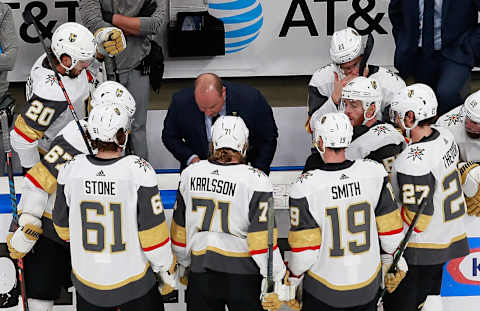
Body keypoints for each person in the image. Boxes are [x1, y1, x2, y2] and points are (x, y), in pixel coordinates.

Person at [6, 82, 135, 311]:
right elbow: (41, 177)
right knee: (41, 292)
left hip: (94, 236)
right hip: (56, 223)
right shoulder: (77, 136)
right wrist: (29, 220)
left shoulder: (122, 144)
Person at [52, 103, 177, 310]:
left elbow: (63, 229)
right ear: (122, 135)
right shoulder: (138, 170)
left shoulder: (71, 168)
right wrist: (165, 269)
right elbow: (153, 238)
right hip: (134, 285)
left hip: (88, 285)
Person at [288, 112, 406, 311]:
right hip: (367, 286)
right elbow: (392, 237)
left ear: (320, 141)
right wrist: (392, 261)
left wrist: (292, 281)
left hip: (323, 289)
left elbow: (304, 255)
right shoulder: (374, 172)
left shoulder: (305, 186)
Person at [171, 115, 290, 311]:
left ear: (213, 143)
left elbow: (179, 233)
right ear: (244, 145)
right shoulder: (257, 180)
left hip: (201, 273)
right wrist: (276, 278)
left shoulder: (190, 174)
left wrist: (184, 265)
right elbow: (263, 241)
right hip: (243, 279)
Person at [385, 84, 470, 311]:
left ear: (411, 116)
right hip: (447, 235)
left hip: (420, 249)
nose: (395, 119)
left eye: (400, 114)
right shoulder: (445, 135)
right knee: (430, 300)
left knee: (402, 305)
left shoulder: (412, 161)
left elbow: (418, 221)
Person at [10, 22, 125, 173]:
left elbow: (84, 73)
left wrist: (99, 53)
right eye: (83, 61)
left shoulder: (58, 60)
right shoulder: (51, 92)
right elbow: (21, 137)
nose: (87, 64)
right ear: (66, 60)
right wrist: (32, 172)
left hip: (78, 146)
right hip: (59, 156)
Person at [79, 0, 167, 160]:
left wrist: (111, 18)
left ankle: (141, 178)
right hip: (102, 69)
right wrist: (133, 25)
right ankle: (111, 175)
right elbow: (92, 22)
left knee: (138, 128)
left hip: (138, 64)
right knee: (105, 127)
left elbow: (155, 24)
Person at [162, 73, 278, 175]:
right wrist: (191, 158)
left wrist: (257, 171)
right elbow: (169, 136)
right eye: (202, 108)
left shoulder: (251, 99)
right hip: (198, 174)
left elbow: (268, 137)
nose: (208, 113)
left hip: (240, 172)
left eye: (212, 106)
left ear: (223, 92)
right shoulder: (181, 102)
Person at [388, 0, 480, 115]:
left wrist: (472, 44)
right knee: (420, 103)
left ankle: (453, 130)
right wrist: (404, 42)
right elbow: (395, 12)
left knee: (448, 95)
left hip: (457, 50)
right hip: (420, 53)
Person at [304, 76, 405, 174]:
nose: (347, 111)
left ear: (371, 109)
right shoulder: (337, 135)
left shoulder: (388, 141)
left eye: (353, 105)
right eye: (345, 104)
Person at [307, 27, 405, 125]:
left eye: (355, 64)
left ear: (363, 58)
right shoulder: (321, 81)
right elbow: (313, 128)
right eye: (347, 68)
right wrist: (333, 100)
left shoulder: (390, 84)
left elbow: (399, 131)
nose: (354, 72)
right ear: (337, 66)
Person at [436, 91, 480, 217]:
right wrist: (465, 171)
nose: (468, 124)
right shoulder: (446, 125)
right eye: (468, 117)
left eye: (476, 123)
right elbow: (440, 168)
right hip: (458, 177)